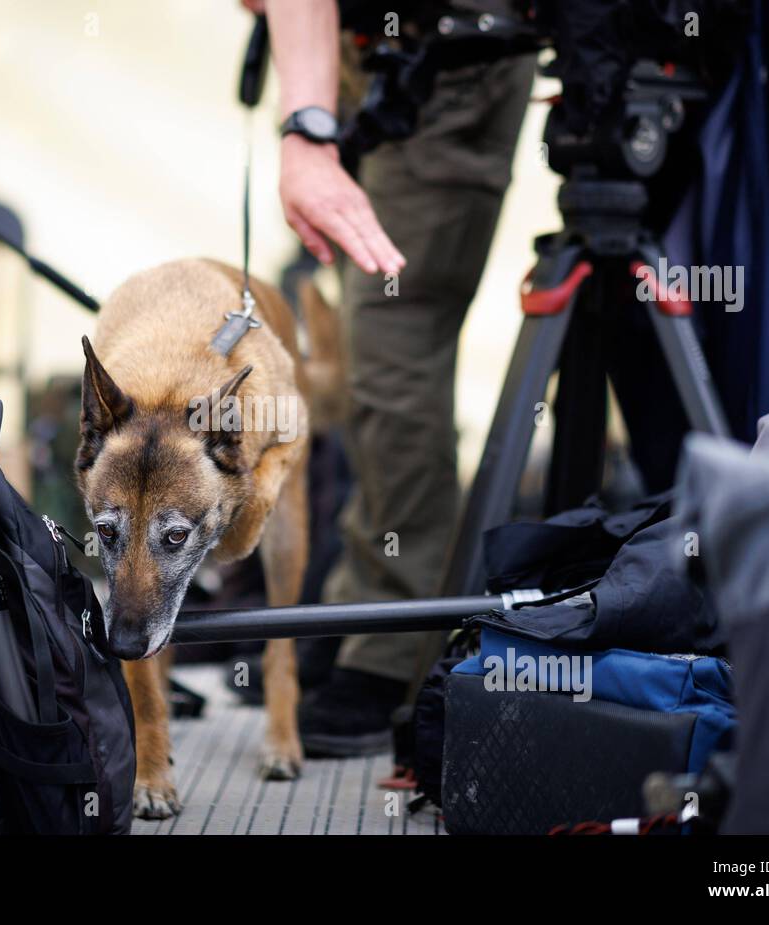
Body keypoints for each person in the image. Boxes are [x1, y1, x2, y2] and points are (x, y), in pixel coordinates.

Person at [255, 0, 536, 755]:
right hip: (381, 49)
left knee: (393, 357)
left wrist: (308, 129)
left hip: (444, 56)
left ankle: (397, 644)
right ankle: (362, 610)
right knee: (364, 350)